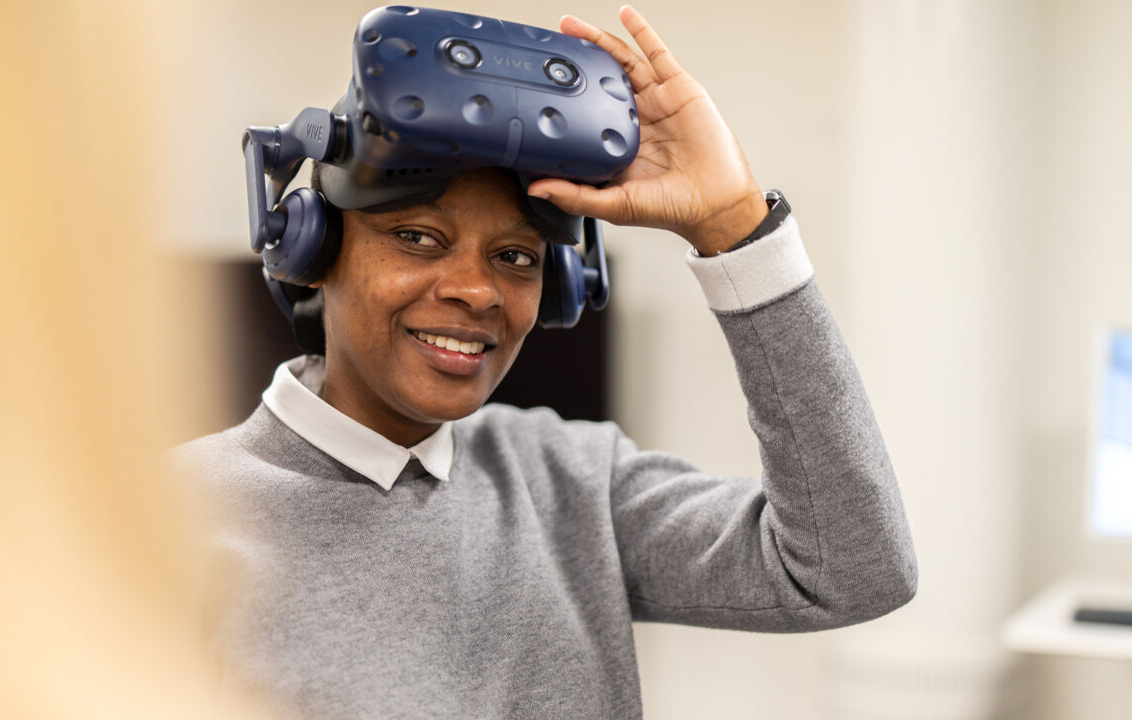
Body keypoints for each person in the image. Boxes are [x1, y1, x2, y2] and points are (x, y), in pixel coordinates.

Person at [174, 6, 917, 718]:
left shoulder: (575, 482)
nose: (475, 290)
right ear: (310, 249)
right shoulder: (165, 518)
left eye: (515, 257)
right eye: (418, 238)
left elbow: (850, 570)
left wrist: (734, 227)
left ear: (562, 288)